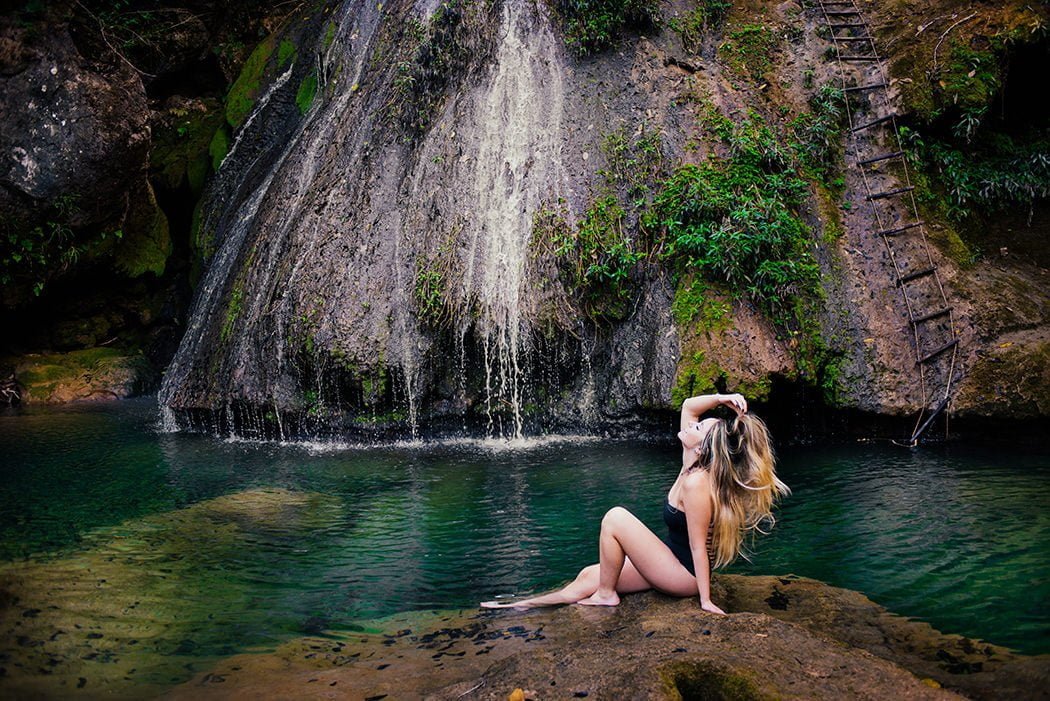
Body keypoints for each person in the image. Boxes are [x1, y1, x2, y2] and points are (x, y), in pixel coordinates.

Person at [480, 393, 789, 612]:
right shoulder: (691, 463)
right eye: (697, 424)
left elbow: (697, 547)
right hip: (669, 559)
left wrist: (705, 600)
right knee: (590, 574)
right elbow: (688, 406)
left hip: (683, 575)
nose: (691, 425)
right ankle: (518, 606)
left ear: (705, 447)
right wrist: (723, 398)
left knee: (615, 517)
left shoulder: (697, 484)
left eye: (698, 428)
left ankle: (606, 596)